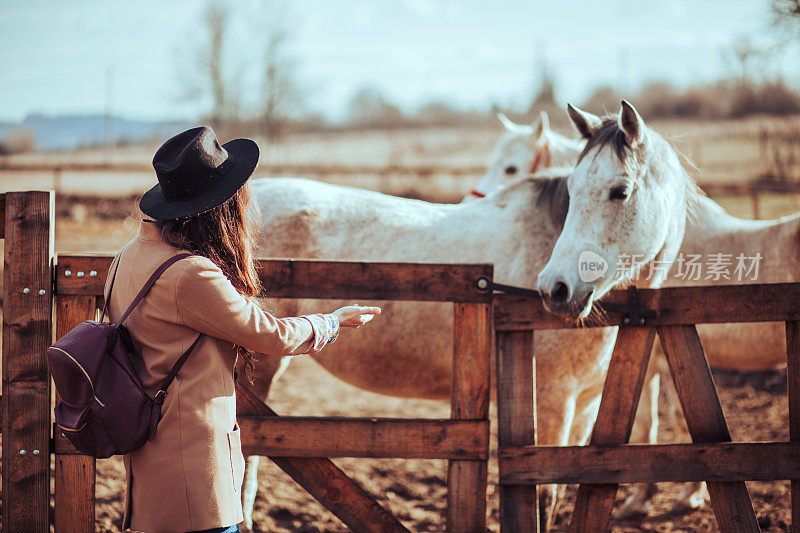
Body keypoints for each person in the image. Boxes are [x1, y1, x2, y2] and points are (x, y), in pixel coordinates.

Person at [105, 126, 380, 533]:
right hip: (192, 468)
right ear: (218, 207)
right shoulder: (191, 273)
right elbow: (270, 335)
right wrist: (332, 321)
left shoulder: (127, 256)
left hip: (149, 457)